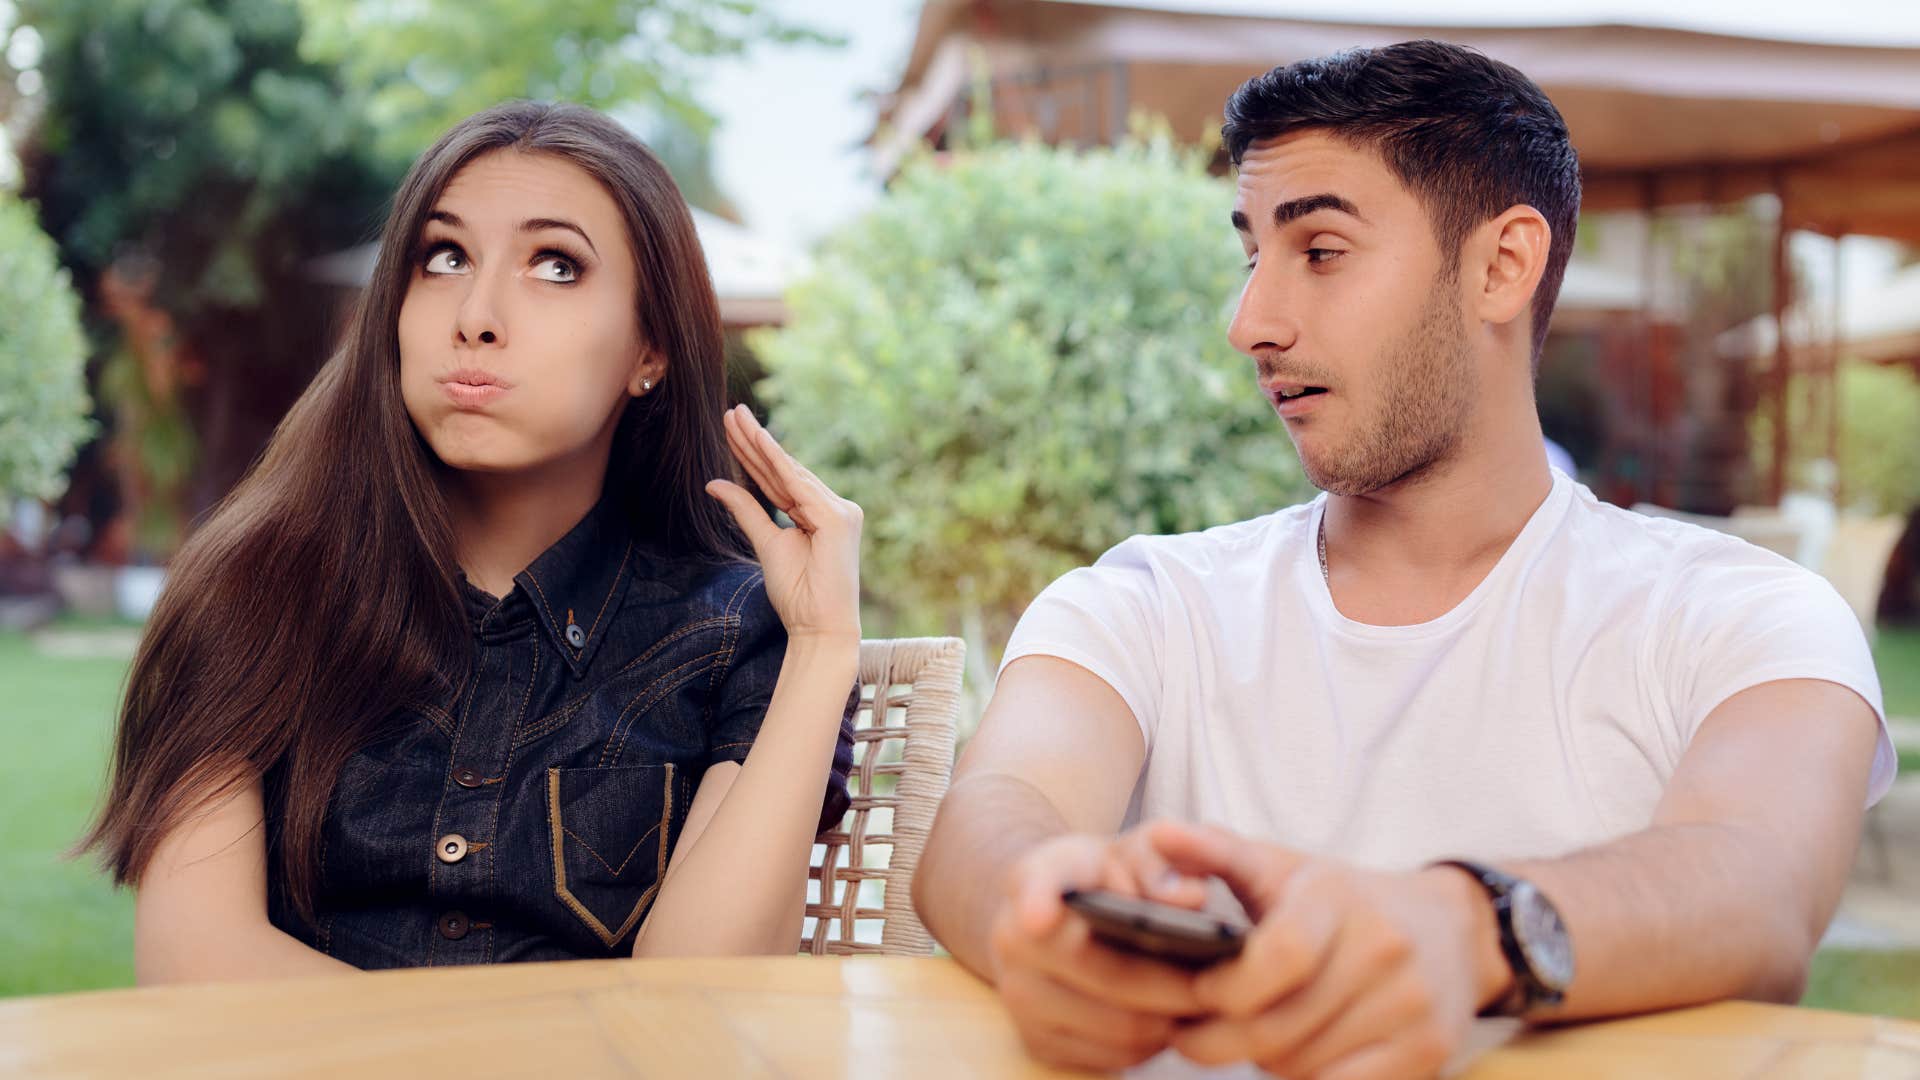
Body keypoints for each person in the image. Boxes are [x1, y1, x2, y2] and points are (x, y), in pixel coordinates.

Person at [913, 40, 1893, 1080]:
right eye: (1252, 255)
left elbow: (1759, 882)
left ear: (1502, 265)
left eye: (1321, 251)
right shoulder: (1150, 603)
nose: (1251, 322)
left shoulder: (1747, 617)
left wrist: (1466, 931)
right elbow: (993, 812)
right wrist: (1039, 906)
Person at [80, 102, 865, 980]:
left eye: (556, 266)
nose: (477, 315)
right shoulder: (255, 587)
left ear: (651, 348)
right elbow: (196, 964)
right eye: (444, 257)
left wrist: (826, 647)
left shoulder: (738, 634)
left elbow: (703, 993)